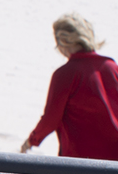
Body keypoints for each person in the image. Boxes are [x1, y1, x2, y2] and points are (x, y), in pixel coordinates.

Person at [20, 14, 118, 161]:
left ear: (63, 41)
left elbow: (51, 119)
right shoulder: (112, 68)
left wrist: (31, 141)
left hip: (80, 160)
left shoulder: (65, 74)